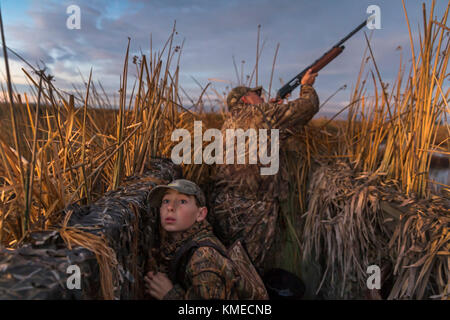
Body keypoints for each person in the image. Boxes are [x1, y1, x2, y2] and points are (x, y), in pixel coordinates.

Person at [210, 68, 319, 273]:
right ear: (245, 99)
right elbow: (307, 107)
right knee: (249, 271)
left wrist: (271, 112)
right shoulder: (264, 115)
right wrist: (306, 86)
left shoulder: (227, 123)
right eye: (256, 94)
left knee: (228, 266)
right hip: (254, 209)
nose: (262, 97)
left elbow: (270, 131)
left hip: (222, 205)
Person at [144, 179, 239, 299]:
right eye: (166, 201)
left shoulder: (203, 257)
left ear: (200, 214)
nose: (170, 207)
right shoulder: (180, 245)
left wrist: (169, 294)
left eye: (182, 201)